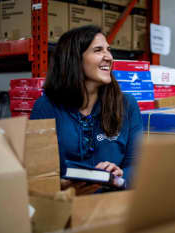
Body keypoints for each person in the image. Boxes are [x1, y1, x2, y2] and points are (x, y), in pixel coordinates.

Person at [30, 25, 143, 194]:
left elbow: (139, 166)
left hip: (114, 205)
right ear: (74, 59)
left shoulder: (127, 105)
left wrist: (120, 176)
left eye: (108, 50)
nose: (109, 57)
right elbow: (38, 175)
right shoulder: (46, 107)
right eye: (98, 50)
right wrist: (64, 187)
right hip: (68, 208)